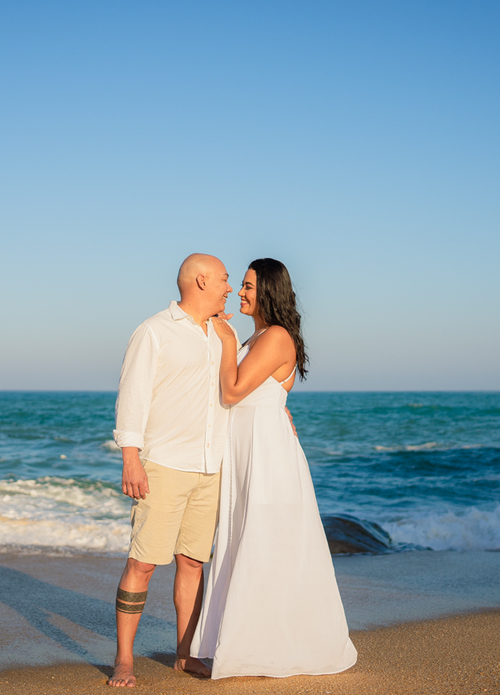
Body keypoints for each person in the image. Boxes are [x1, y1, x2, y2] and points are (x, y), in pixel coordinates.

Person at [190, 258, 357, 679]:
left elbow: (233, 390)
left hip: (266, 456)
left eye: (247, 286)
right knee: (246, 544)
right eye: (241, 285)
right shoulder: (260, 335)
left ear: (268, 291)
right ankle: (243, 643)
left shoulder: (277, 336)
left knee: (266, 545)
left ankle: (268, 647)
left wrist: (226, 337)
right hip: (249, 451)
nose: (240, 293)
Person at [108, 253, 235, 688]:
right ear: (200, 281)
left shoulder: (225, 333)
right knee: (143, 563)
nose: (229, 288)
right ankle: (124, 658)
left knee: (193, 563)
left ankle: (185, 655)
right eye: (223, 279)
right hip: (162, 465)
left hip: (211, 466)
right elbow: (133, 396)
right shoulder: (153, 331)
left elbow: (237, 388)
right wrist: (131, 457)